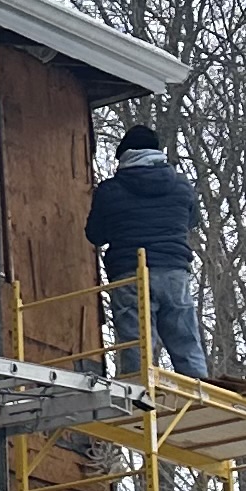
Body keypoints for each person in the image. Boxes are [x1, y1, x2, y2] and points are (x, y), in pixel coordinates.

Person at [84, 124, 207, 380]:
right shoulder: (181, 185)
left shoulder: (110, 190)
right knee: (185, 340)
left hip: (130, 274)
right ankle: (199, 390)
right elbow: (192, 220)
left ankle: (138, 393)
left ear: (124, 155)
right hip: (174, 272)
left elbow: (95, 234)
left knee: (136, 344)